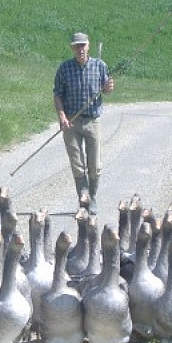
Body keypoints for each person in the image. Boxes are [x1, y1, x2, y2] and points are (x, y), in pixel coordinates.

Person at [53, 32, 114, 215]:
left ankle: (92, 197)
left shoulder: (100, 66)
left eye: (83, 45)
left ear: (88, 46)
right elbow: (57, 94)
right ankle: (83, 198)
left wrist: (109, 87)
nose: (80, 49)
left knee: (94, 166)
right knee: (77, 164)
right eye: (77, 45)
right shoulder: (64, 68)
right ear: (72, 47)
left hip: (93, 120)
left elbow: (107, 88)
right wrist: (62, 116)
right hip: (71, 122)